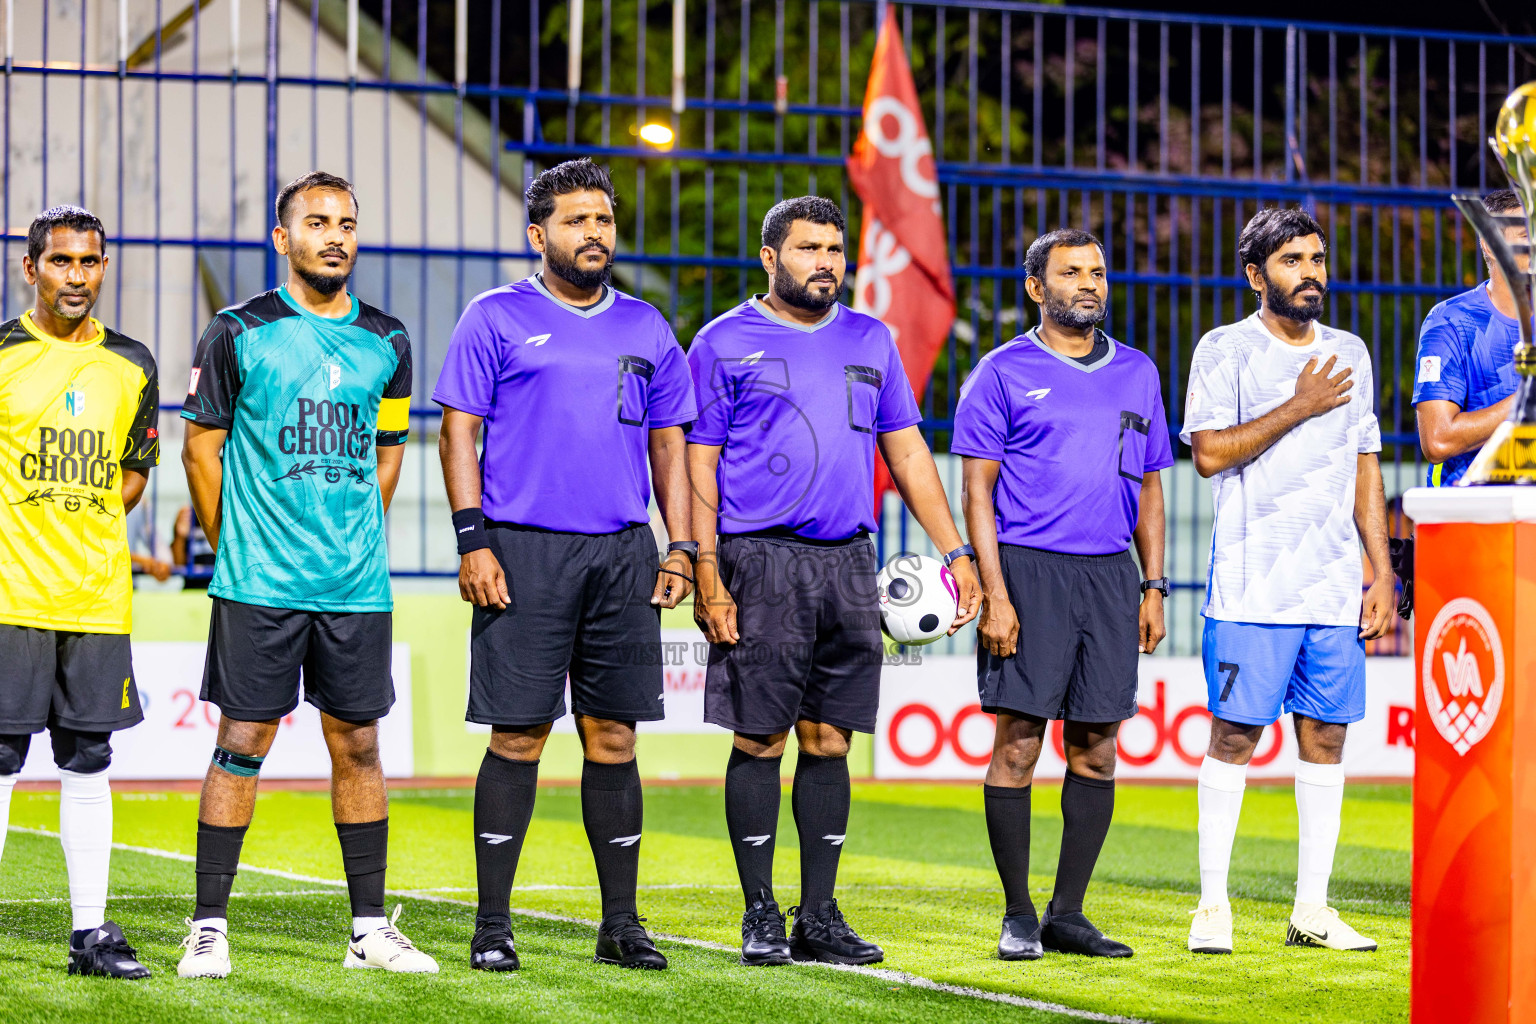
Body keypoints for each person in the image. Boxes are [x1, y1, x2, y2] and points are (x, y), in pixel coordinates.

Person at [688, 196, 981, 968]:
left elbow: (910, 455)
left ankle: (817, 916)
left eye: (835, 248)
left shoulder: (870, 339)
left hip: (849, 560)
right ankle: (760, 913)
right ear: (770, 258)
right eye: (809, 247)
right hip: (759, 560)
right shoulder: (722, 342)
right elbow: (699, 465)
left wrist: (957, 554)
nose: (826, 261)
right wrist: (706, 571)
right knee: (761, 737)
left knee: (830, 739)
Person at [434, 159, 696, 973]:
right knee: (518, 737)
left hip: (623, 553)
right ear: (537, 233)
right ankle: (492, 926)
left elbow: (669, 446)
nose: (595, 234)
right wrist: (472, 539)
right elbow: (458, 432)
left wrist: (681, 544)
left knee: (614, 736)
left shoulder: (648, 326)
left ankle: (621, 924)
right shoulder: (495, 317)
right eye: (578, 220)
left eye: (604, 221)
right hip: (522, 549)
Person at [176, 172, 436, 978]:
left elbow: (389, 454)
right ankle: (208, 927)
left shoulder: (388, 340)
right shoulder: (237, 330)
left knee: (358, 743)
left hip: (355, 585)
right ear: (284, 239)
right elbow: (199, 448)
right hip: (258, 584)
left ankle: (368, 929)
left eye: (347, 224)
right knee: (241, 741)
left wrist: (355, 532)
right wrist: (236, 546)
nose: (335, 236)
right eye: (317, 223)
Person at [954, 228, 1171, 962]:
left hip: (1111, 577)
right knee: (1018, 746)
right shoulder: (1001, 371)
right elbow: (975, 490)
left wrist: (1154, 584)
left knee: (1099, 748)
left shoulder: (1139, 372)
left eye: (1098, 272)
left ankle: (1067, 915)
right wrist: (995, 591)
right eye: (1072, 272)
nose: (1089, 284)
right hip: (1030, 572)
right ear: (1036, 287)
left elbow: (1150, 486)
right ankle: (1018, 914)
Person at [1182, 207, 1394, 956]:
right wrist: (1299, 404)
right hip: (1252, 587)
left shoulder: (1352, 352)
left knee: (1327, 738)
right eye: (1293, 261)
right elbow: (1209, 454)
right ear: (1256, 275)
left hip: (1333, 588)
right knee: (1235, 734)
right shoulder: (1226, 350)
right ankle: (1212, 906)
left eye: (1317, 258)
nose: (1311, 273)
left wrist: (1380, 570)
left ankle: (1312, 910)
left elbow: (1364, 460)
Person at [0, 205, 160, 978]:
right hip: (8, 597)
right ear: (30, 268)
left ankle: (89, 936)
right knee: (0, 754)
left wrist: (86, 516)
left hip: (96, 597)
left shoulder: (133, 362)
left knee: (88, 755)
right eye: (61, 262)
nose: (77, 277)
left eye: (90, 262)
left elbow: (135, 468)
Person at [1414, 189, 1530, 486]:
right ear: (1490, 245)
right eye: (1525, 235)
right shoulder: (1450, 322)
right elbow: (1437, 440)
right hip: (1470, 515)